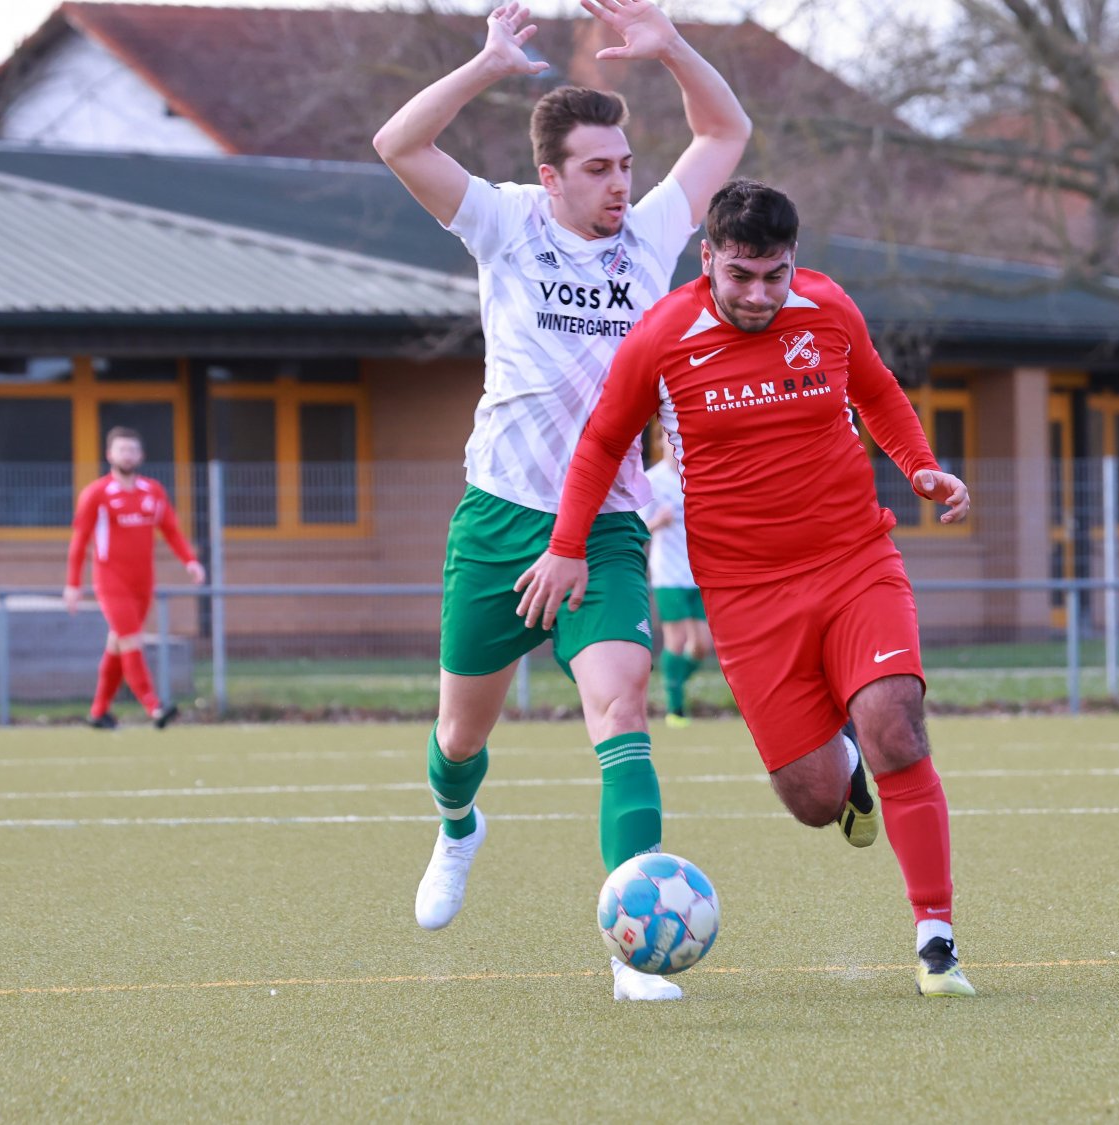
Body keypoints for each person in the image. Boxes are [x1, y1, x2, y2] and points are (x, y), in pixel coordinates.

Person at [372, 0, 750, 1001]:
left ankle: (630, 954)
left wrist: (671, 47)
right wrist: (486, 65)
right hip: (498, 523)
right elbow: (395, 141)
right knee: (459, 737)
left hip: (611, 527)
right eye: (597, 167)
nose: (620, 181)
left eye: (625, 163)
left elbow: (725, 134)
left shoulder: (656, 233)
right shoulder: (501, 222)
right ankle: (458, 825)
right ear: (550, 176)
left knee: (619, 707)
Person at [515, 179, 977, 998]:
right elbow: (599, 444)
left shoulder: (829, 309)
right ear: (708, 262)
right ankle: (845, 768)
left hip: (852, 560)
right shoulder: (662, 336)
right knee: (811, 799)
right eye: (741, 277)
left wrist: (921, 467)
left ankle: (936, 939)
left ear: (794, 263)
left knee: (895, 722)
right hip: (744, 593)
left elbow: (875, 390)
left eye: (776, 275)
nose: (761, 295)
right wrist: (567, 546)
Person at [64, 427, 205, 730]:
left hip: (143, 582)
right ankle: (154, 707)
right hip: (110, 580)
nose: (127, 455)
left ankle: (99, 711)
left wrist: (190, 561)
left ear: (140, 456)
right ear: (109, 455)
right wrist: (73, 584)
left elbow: (171, 530)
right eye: (121, 450)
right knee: (131, 639)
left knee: (118, 644)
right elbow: (79, 542)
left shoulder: (152, 491)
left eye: (132, 450)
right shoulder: (96, 494)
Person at [640, 429, 712, 727]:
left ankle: (671, 684)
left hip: (696, 573)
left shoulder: (697, 477)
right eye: (671, 442)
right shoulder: (652, 481)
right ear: (661, 444)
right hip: (667, 573)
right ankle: (675, 708)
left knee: (701, 645)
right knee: (677, 639)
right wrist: (659, 521)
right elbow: (639, 528)